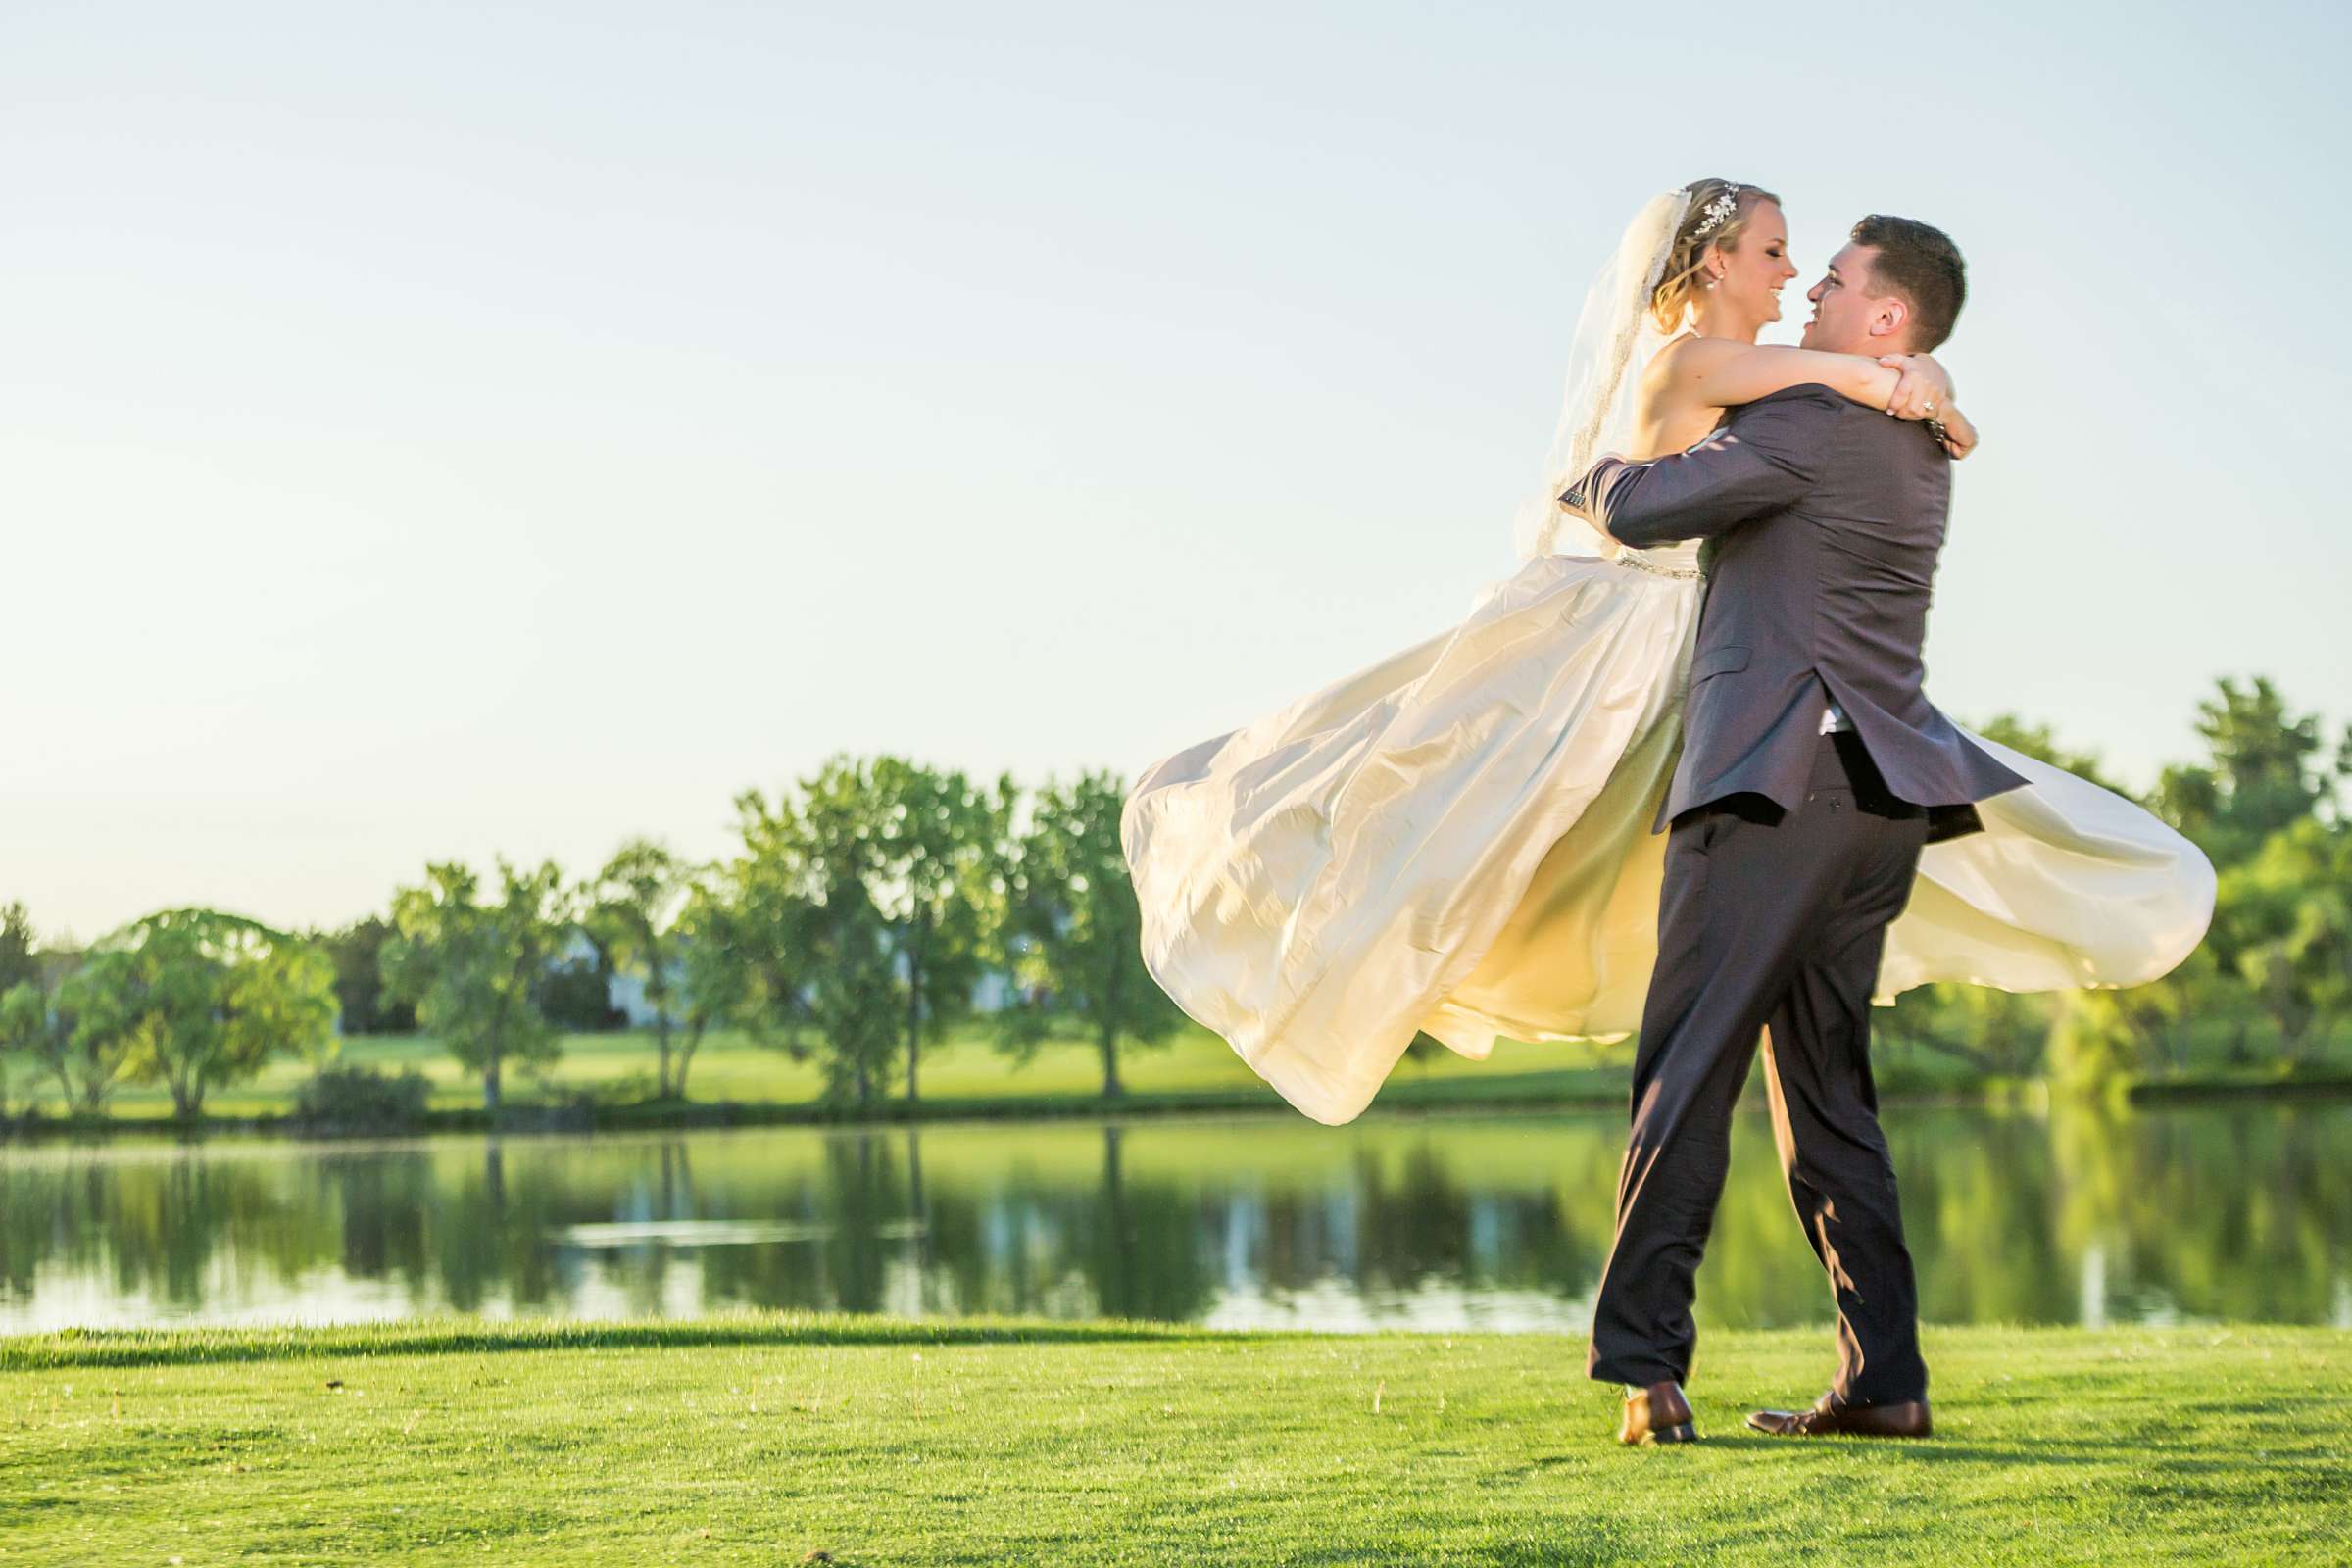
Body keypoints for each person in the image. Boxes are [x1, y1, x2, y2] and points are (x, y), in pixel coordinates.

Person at [1118, 182, 2213, 1136]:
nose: (1793, 275)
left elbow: (1863, 394)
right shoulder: (1702, 357)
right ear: (1715, 261)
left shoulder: (1759, 367)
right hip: (1610, 635)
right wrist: (1909, 380)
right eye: (1778, 252)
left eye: (1807, 261)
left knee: (1573, 854)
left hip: (1681, 645)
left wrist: (1928, 384)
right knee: (1444, 813)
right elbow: (1850, 385)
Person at [1562, 211, 2025, 1446]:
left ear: (1888, 319)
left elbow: (1643, 510)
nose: (1813, 287)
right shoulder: (1920, 439)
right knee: (1828, 1099)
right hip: (1880, 806)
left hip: (1773, 788)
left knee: (1688, 1069)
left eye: (1836, 280)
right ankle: (1884, 1381)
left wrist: (1584, 467)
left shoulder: (1812, 424)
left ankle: (1648, 1373)